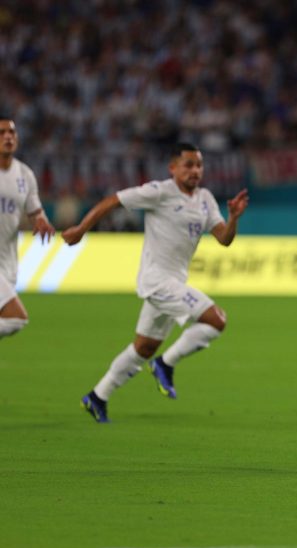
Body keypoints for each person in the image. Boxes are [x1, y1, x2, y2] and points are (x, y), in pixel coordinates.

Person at [62, 143, 248, 423]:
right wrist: (80, 229)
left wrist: (233, 218)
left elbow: (224, 238)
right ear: (172, 168)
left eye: (199, 165)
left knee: (144, 347)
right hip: (157, 280)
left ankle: (97, 397)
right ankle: (166, 363)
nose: (195, 170)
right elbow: (113, 200)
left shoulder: (206, 199)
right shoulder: (159, 192)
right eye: (188, 164)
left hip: (174, 281)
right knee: (216, 320)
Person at [0, 117, 55, 340]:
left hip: (8, 263)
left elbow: (35, 211)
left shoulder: (25, 175)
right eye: (2, 132)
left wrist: (41, 220)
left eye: (12, 132)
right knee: (16, 318)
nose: (8, 137)